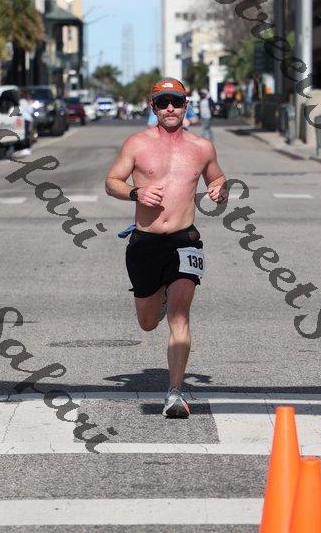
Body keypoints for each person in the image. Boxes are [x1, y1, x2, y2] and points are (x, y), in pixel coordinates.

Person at [105, 77, 226, 418]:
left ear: (186, 106)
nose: (170, 108)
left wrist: (220, 190)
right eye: (163, 103)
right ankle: (156, 300)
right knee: (147, 323)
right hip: (145, 242)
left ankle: (175, 392)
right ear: (153, 107)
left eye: (176, 101)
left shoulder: (202, 148)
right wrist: (136, 193)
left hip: (184, 240)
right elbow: (111, 182)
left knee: (180, 315)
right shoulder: (137, 143)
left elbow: (217, 178)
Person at [19, 91, 34, 155]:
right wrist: (30, 104)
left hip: (23, 119)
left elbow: (19, 110)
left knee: (25, 134)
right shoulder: (26, 102)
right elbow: (31, 111)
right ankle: (27, 148)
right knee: (27, 134)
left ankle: (26, 148)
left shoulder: (21, 102)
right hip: (27, 119)